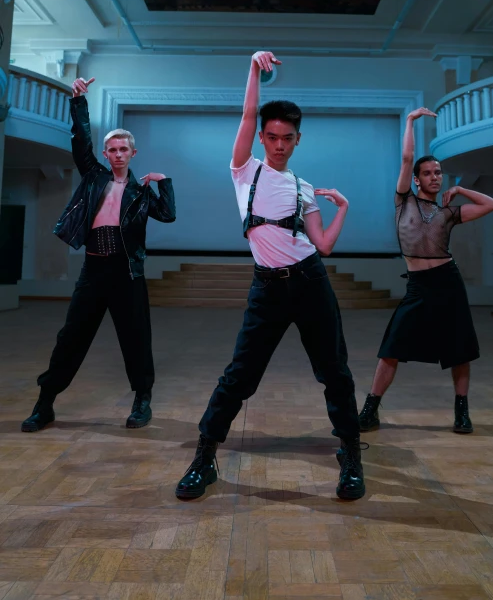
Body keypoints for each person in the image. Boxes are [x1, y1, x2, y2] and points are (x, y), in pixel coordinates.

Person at [175, 50, 365, 501]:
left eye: (288, 138)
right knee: (239, 376)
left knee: (334, 372)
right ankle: (204, 458)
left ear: (298, 140)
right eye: (273, 136)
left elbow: (324, 245)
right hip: (267, 288)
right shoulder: (246, 172)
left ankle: (351, 456)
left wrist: (344, 209)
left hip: (310, 281)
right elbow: (245, 112)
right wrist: (253, 70)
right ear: (262, 137)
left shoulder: (302, 187)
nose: (279, 144)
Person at [21, 76, 176, 433]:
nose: (118, 154)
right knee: (71, 337)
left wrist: (164, 182)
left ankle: (142, 401)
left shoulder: (141, 193)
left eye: (124, 150)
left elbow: (167, 215)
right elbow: (80, 141)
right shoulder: (93, 176)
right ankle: (45, 404)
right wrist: (78, 102)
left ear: (132, 154)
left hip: (127, 273)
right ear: (106, 154)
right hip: (93, 270)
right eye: (113, 150)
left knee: (136, 337)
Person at [358, 107, 493, 435]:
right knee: (391, 347)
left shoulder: (449, 213)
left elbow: (490, 204)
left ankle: (461, 411)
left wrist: (461, 190)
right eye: (429, 173)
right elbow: (407, 158)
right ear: (417, 179)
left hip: (448, 282)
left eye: (439, 173)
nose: (435, 177)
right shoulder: (403, 202)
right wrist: (409, 121)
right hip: (419, 286)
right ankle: (370, 409)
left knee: (459, 349)